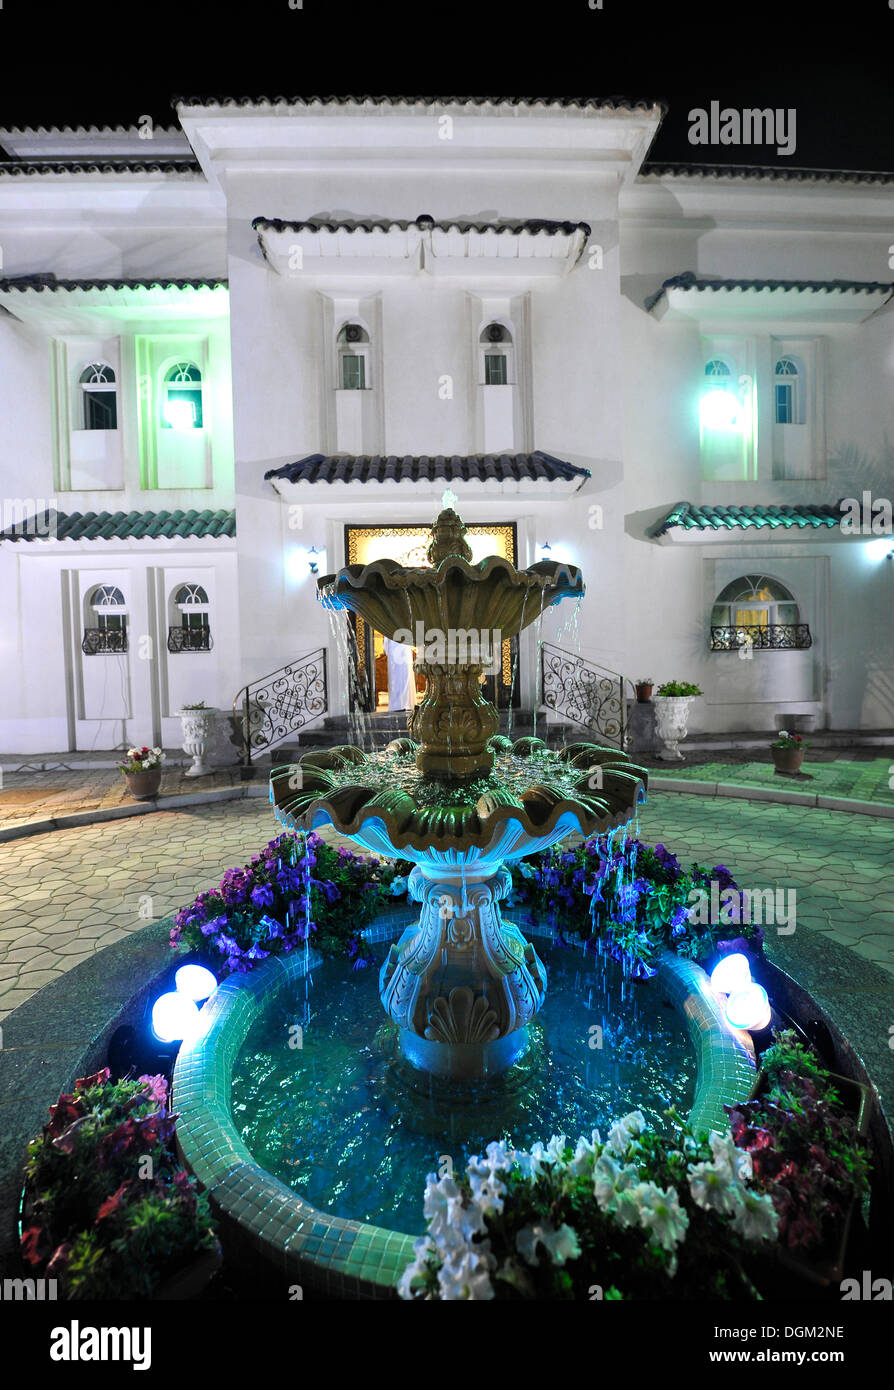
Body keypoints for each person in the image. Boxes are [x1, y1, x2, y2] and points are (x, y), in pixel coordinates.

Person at [384, 636, 417, 712]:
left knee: (405, 677)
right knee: (396, 678)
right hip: (395, 647)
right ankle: (398, 704)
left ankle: (407, 703)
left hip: (404, 648)